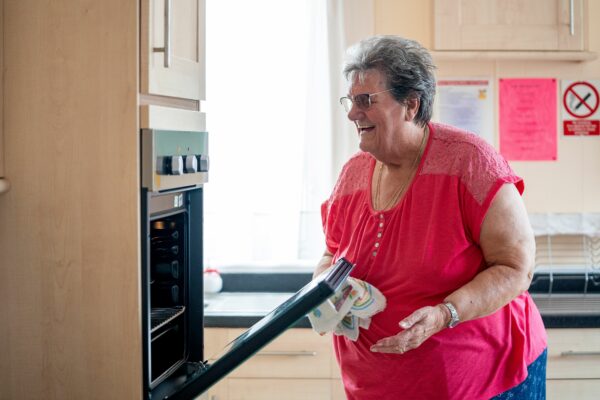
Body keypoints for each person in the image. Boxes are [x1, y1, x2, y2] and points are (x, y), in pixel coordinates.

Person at [314, 35, 547, 399]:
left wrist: (444, 314)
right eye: (350, 100)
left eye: (365, 101)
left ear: (410, 105)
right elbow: (331, 255)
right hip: (377, 385)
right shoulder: (353, 174)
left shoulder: (469, 161)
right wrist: (326, 290)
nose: (352, 113)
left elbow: (516, 267)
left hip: (483, 381)